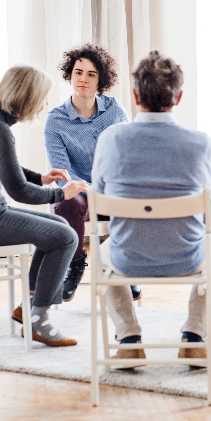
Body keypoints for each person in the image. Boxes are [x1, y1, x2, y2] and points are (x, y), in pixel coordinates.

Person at [91, 51, 211, 366]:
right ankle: (194, 336)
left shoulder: (110, 139)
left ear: (135, 95)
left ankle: (128, 338)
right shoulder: (200, 142)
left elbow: (99, 193)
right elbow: (207, 196)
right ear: (178, 98)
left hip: (128, 257)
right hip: (187, 256)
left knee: (98, 256)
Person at [0, 65, 88, 347]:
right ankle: (39, 321)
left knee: (60, 227)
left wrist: (42, 178)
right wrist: (62, 195)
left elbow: (4, 168)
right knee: (66, 236)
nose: (45, 105)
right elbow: (18, 190)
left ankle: (31, 306)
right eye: (42, 98)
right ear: (28, 98)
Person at [39, 44, 130, 302]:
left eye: (91, 74)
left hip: (111, 190)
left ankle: (121, 268)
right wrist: (86, 187)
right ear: (70, 75)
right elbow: (61, 172)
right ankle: (76, 263)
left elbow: (124, 159)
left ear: (101, 79)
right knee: (66, 198)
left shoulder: (115, 111)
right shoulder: (55, 120)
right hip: (78, 192)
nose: (83, 79)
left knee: (131, 197)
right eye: (78, 72)